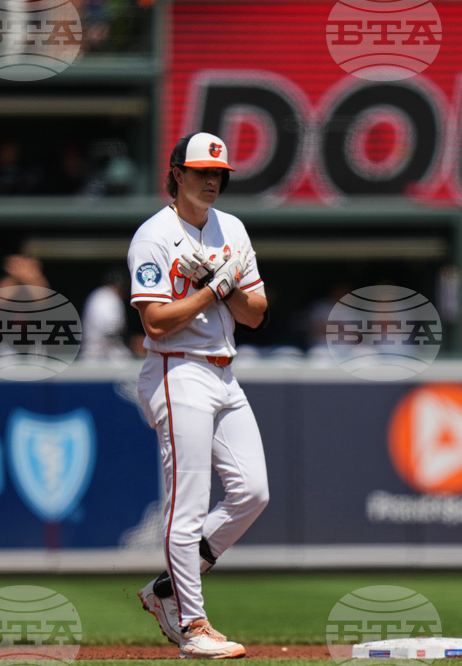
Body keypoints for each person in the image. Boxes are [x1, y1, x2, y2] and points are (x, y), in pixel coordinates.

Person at [128, 132, 269, 659]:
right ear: (177, 174)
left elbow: (256, 314)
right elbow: (155, 322)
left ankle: (165, 590)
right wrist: (214, 288)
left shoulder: (232, 227)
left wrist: (218, 284)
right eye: (202, 172)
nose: (212, 181)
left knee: (253, 492)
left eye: (219, 174)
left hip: (225, 372)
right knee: (186, 507)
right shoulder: (154, 236)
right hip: (176, 369)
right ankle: (192, 626)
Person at [79, 269, 133, 361]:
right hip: (101, 354)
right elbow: (111, 328)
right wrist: (130, 341)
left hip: (91, 352)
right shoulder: (110, 298)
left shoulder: (97, 294)